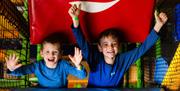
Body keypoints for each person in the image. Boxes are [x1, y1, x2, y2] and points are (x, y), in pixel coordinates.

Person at [68, 4, 168, 87]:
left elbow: (142, 48)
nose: (110, 47)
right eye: (105, 44)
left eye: (114, 44)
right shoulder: (94, 59)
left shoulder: (123, 60)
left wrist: (158, 25)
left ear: (118, 46)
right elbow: (82, 43)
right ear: (100, 48)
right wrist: (75, 18)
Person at [5, 33, 87, 88]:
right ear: (42, 53)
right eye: (47, 52)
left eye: (55, 52)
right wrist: (12, 69)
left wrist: (78, 66)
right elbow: (22, 71)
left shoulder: (64, 65)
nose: (51, 55)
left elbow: (82, 76)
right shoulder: (37, 66)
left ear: (60, 54)